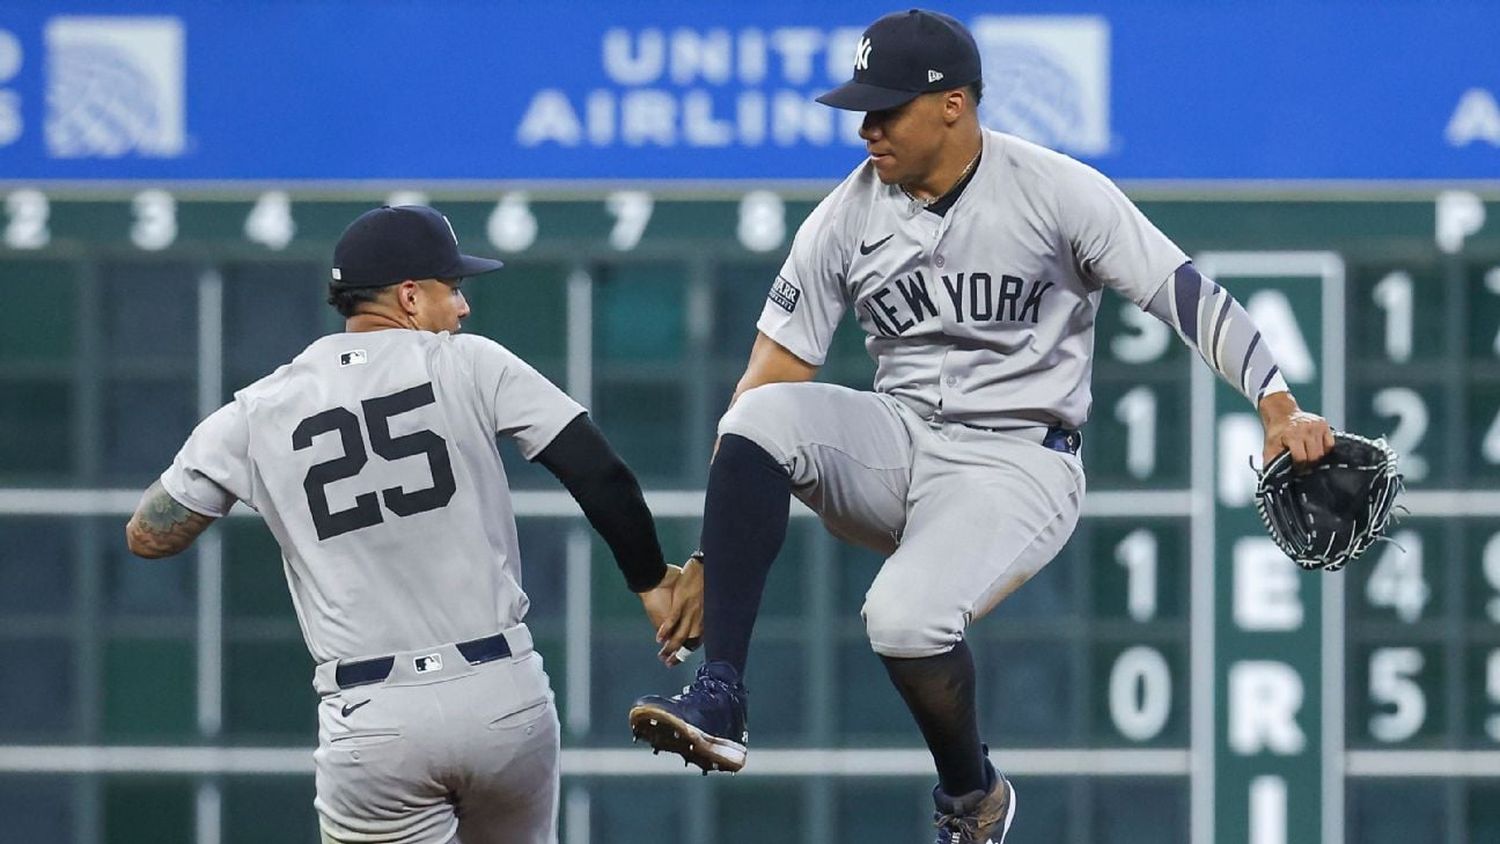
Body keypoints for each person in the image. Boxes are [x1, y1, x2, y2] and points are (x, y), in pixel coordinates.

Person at [628, 9, 1333, 844]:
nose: (867, 129)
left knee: (900, 620)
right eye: (862, 108)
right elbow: (772, 375)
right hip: (897, 442)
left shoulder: (1054, 189)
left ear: (954, 104)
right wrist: (716, 553)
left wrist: (1275, 399)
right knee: (758, 413)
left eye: (886, 109)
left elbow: (1183, 295)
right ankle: (722, 696)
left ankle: (972, 798)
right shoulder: (845, 217)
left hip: (1018, 464)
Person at [125, 204, 703, 844]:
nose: (463, 308)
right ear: (407, 295)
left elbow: (149, 535)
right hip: (502, 699)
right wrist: (652, 583)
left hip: (374, 717)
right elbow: (598, 471)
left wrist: (251, 477)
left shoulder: (259, 411)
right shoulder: (468, 362)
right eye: (451, 288)